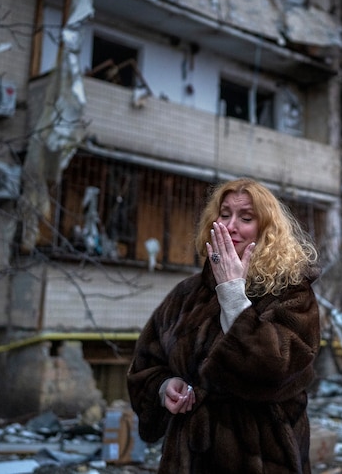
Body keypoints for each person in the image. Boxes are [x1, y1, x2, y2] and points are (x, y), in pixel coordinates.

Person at [127, 178, 321, 473]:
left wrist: (232, 293)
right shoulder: (187, 293)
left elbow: (277, 367)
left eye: (246, 217)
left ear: (267, 229)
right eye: (224, 214)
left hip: (263, 456)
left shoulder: (292, 292)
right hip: (189, 458)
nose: (230, 226)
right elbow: (146, 365)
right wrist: (165, 387)